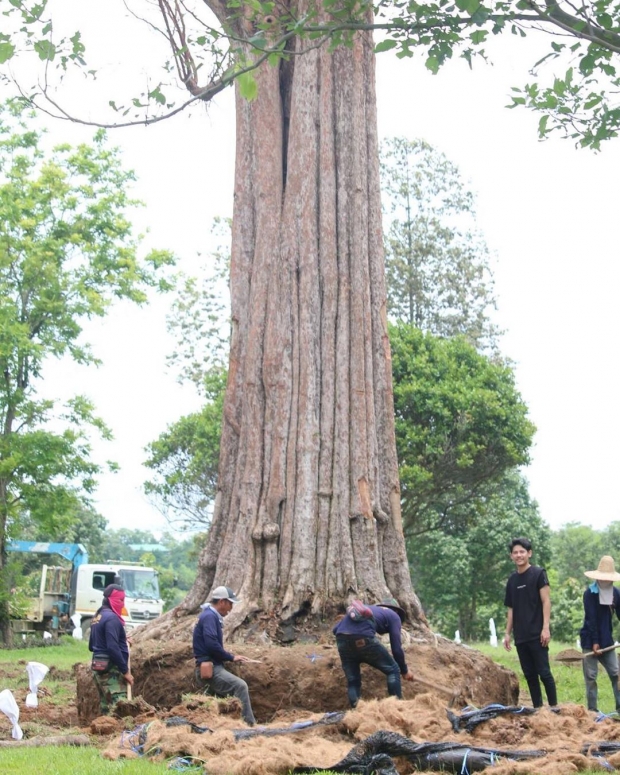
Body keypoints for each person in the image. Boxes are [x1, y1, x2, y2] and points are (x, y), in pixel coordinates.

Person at [503, 537, 557, 708]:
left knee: (544, 673)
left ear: (529, 553)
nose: (519, 555)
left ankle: (554, 707)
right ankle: (538, 709)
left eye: (522, 552)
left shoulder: (538, 573)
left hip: (537, 634)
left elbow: (546, 601)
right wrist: (507, 633)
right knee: (530, 675)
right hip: (521, 636)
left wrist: (545, 628)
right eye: (515, 552)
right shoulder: (512, 580)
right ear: (511, 556)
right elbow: (510, 609)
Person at [333, 596, 414, 708]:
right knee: (393, 670)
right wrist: (404, 670)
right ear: (395, 610)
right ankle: (397, 708)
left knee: (353, 681)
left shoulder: (366, 609)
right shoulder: (394, 615)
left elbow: (335, 630)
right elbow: (396, 649)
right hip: (363, 639)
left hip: (341, 640)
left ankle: (356, 713)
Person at [193, 585, 256, 725]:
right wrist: (231, 657)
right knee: (240, 686)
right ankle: (249, 725)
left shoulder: (208, 614)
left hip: (211, 667)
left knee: (216, 702)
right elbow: (211, 644)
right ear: (222, 602)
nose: (231, 608)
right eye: (230, 604)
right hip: (211, 669)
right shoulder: (209, 617)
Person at [579, 555, 620, 712]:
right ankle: (592, 711)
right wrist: (595, 642)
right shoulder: (589, 594)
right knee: (591, 677)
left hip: (607, 641)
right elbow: (591, 619)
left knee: (616, 674)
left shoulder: (616, 593)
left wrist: (603, 641)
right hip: (590, 640)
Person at [88, 584, 134, 715]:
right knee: (119, 706)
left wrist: (123, 640)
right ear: (111, 599)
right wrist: (125, 671)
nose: (123, 604)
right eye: (120, 600)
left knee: (106, 707)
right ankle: (119, 734)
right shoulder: (112, 619)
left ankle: (106, 733)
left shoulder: (97, 617)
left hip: (98, 667)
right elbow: (112, 647)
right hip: (111, 670)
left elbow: (92, 646)